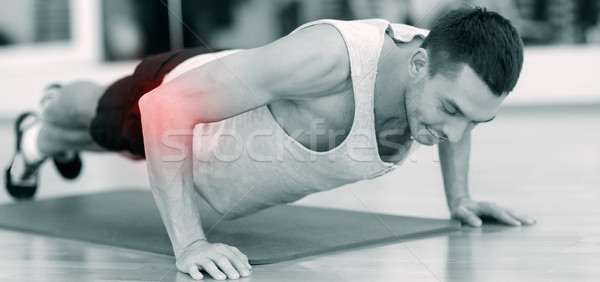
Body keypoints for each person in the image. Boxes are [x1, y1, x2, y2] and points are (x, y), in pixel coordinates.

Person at [5, 7, 537, 281]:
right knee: (100, 120)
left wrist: (460, 198)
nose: (455, 133)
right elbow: (164, 109)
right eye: (450, 111)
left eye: (474, 122)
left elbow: (457, 116)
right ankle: (43, 125)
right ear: (419, 64)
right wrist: (190, 245)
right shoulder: (330, 60)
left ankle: (48, 136)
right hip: (181, 104)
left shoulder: (439, 75)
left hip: (217, 170)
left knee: (112, 144)